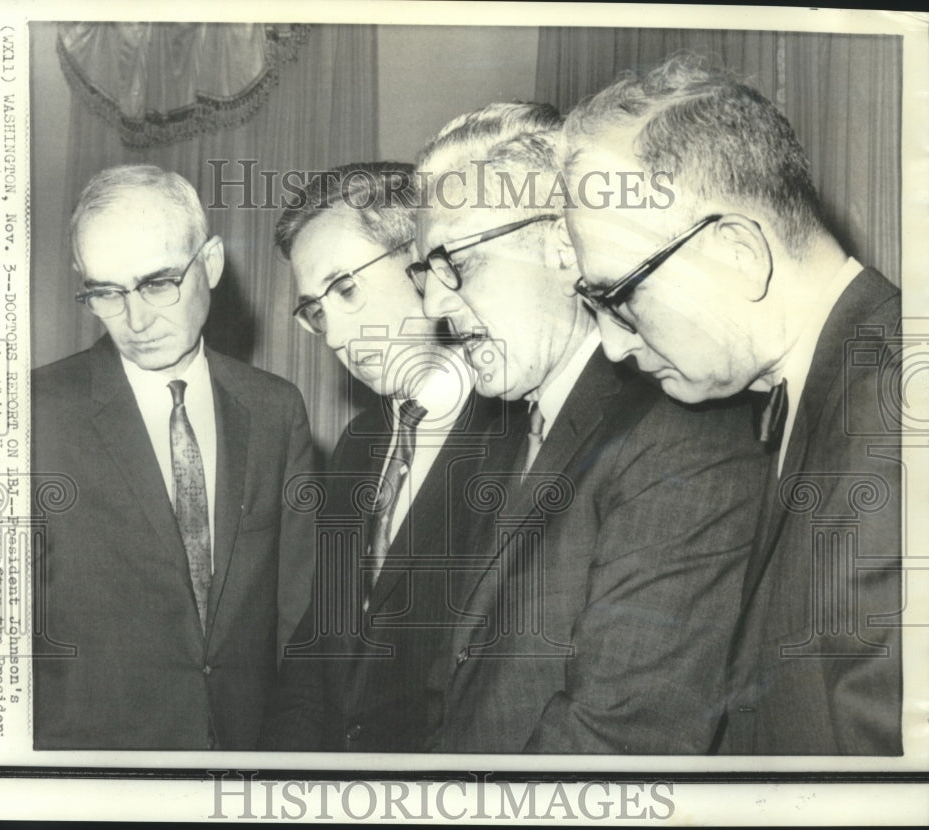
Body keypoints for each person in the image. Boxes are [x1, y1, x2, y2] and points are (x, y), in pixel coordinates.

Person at [564, 54, 902, 754]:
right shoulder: (829, 387)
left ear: (736, 252)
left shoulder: (896, 420)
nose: (613, 345)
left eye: (619, 295)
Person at [409, 102, 768, 753]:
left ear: (561, 243)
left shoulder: (678, 434)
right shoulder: (506, 429)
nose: (434, 303)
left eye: (453, 261)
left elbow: (621, 738)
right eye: (423, 274)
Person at [31, 164, 314, 750]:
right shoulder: (33, 414)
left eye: (158, 283)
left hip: (246, 766)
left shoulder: (275, 411)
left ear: (210, 263)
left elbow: (300, 620)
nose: (135, 321)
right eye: (107, 293)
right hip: (91, 773)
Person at [270, 162, 503, 752]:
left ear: (422, 260)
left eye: (345, 287)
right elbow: (323, 643)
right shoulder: (356, 445)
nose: (337, 335)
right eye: (316, 311)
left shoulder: (516, 434)